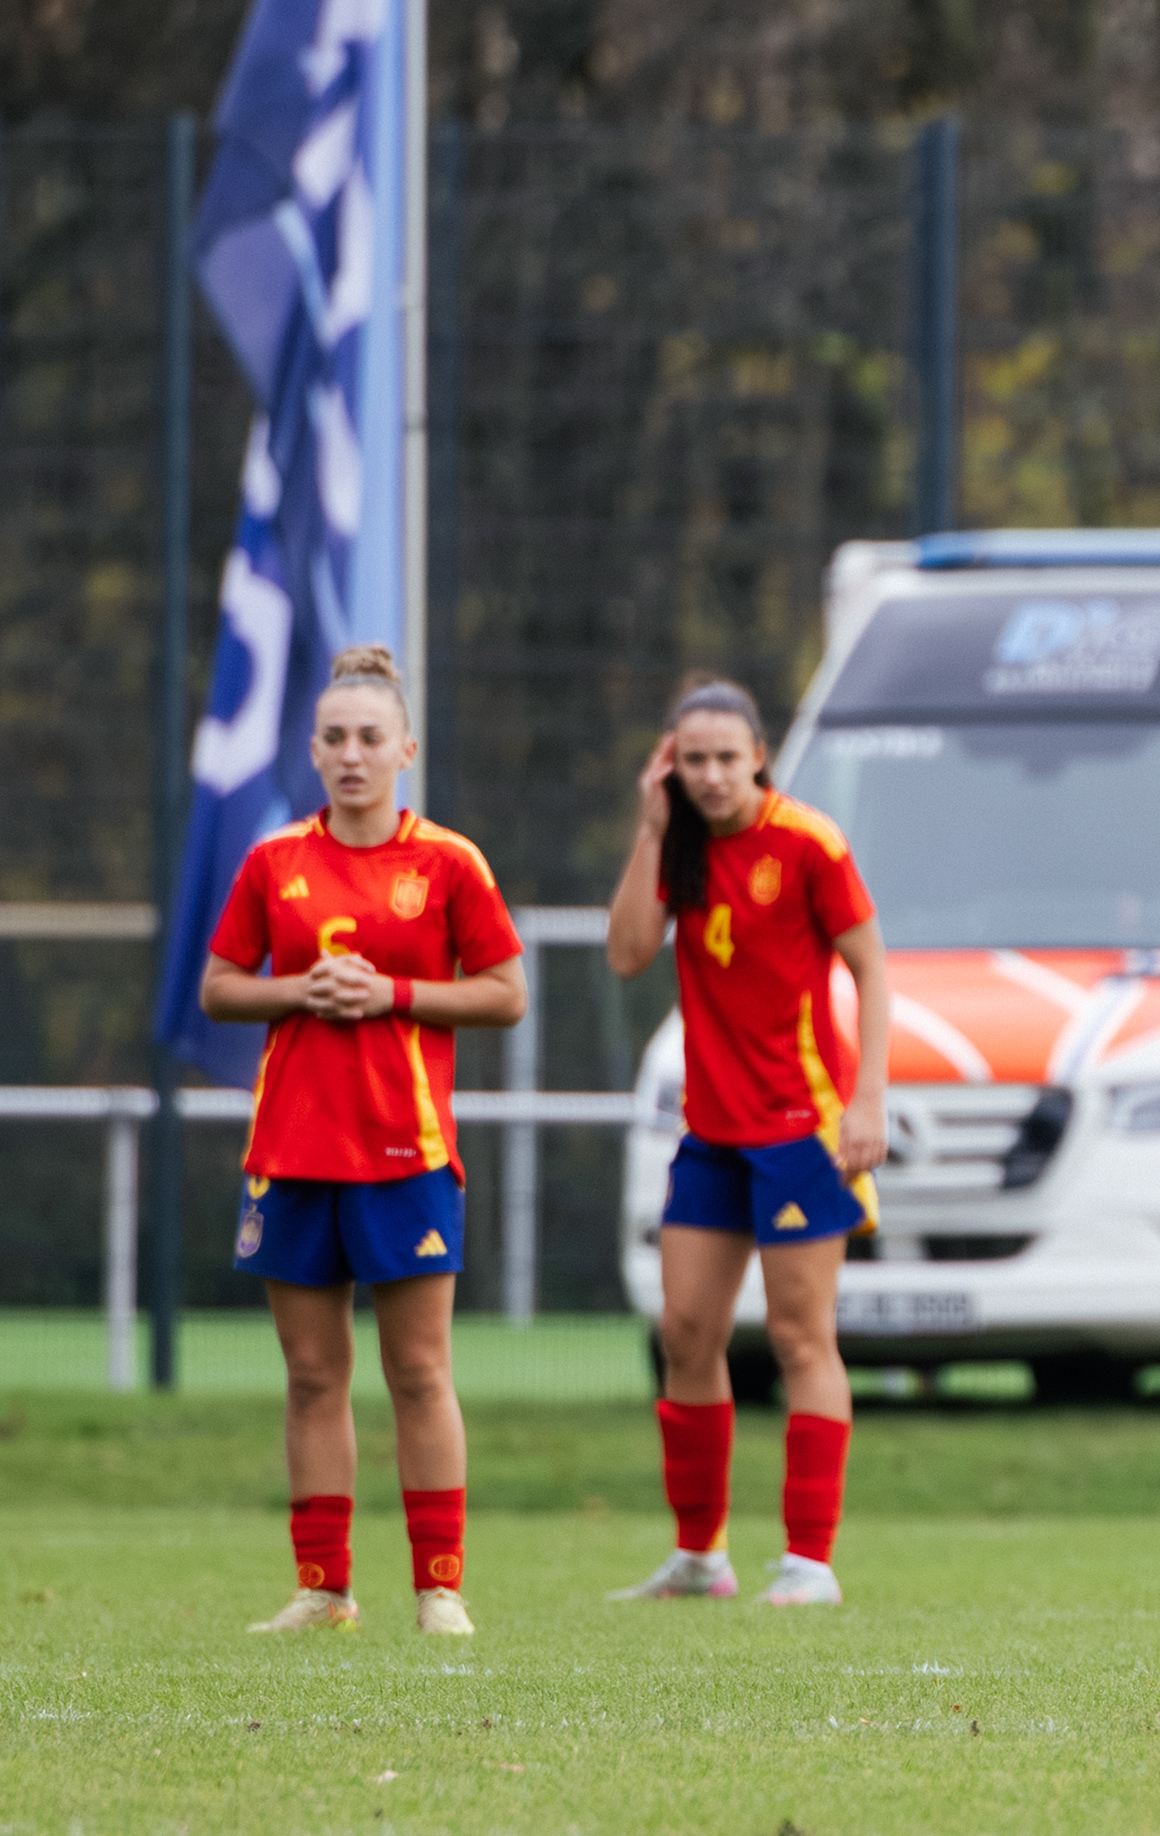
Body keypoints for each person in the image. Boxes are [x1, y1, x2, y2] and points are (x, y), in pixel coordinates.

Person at [205, 647, 528, 1636]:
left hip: (406, 1154)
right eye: (335, 739)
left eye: (370, 738)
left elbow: (506, 994)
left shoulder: (448, 862)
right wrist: (299, 989)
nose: (353, 755)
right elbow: (219, 987)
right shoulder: (274, 863)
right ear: (313, 751)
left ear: (406, 750)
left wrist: (392, 994)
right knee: (312, 1377)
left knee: (420, 1372)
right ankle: (325, 1589)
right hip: (293, 1153)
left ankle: (439, 1589)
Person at [601, 679, 892, 1609]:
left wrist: (867, 1098)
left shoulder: (807, 842)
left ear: (760, 756)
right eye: (694, 760)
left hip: (800, 1130)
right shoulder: (676, 843)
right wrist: (650, 830)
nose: (713, 775)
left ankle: (811, 1561)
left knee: (804, 1336)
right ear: (669, 765)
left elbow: (871, 964)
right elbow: (626, 955)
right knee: (686, 1330)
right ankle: (701, 1559)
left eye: (729, 757)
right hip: (712, 1132)